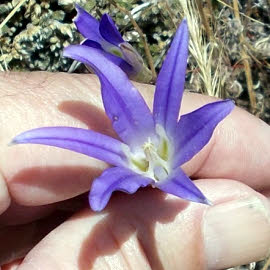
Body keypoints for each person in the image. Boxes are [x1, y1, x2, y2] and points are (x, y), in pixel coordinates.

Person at [0, 72, 269, 270]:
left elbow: (212, 116)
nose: (152, 154)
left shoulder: (177, 176)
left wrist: (196, 196)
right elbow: (100, 193)